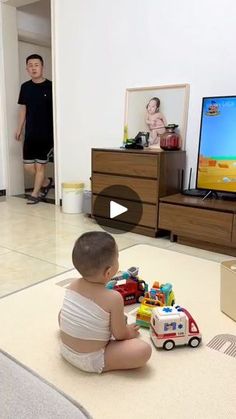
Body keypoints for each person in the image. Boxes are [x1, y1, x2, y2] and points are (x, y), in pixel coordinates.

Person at [58, 231, 152, 374]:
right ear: (108, 272)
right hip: (91, 359)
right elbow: (120, 335)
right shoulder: (113, 298)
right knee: (143, 350)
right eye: (117, 258)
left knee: (62, 314)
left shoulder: (73, 285)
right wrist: (130, 332)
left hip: (65, 350)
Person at [15, 54, 54, 204]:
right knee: (28, 167)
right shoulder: (25, 87)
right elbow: (23, 109)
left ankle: (35, 193)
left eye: (36, 65)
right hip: (30, 132)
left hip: (46, 133)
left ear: (42, 67)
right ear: (27, 68)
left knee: (40, 165)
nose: (33, 68)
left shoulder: (51, 86)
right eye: (30, 65)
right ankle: (45, 183)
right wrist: (19, 128)